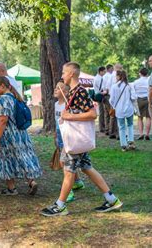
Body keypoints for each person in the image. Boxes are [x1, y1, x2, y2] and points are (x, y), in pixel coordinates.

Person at [41, 62, 123, 217]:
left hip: (75, 141)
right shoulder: (74, 92)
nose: (62, 75)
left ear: (71, 73)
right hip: (77, 140)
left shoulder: (79, 92)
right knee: (86, 168)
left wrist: (69, 116)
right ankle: (112, 200)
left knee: (69, 171)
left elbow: (93, 114)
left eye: (64, 72)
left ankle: (60, 205)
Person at [0, 76, 42, 196]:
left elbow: (3, 120)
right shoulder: (16, 97)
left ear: (3, 86)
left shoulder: (3, 99)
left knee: (6, 159)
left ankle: (11, 188)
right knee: (22, 157)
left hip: (8, 135)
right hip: (21, 134)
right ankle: (31, 181)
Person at [54, 81, 85, 203]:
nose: (56, 90)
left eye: (59, 88)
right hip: (60, 134)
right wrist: (55, 134)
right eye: (55, 88)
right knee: (73, 162)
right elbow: (56, 121)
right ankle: (77, 182)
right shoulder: (56, 104)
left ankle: (69, 191)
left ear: (65, 92)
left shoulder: (68, 105)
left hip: (68, 135)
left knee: (65, 162)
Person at [110, 70, 137, 151]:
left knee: (121, 127)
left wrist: (115, 106)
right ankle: (131, 141)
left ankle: (123, 145)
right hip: (129, 108)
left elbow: (111, 100)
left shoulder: (114, 86)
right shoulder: (129, 86)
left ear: (118, 76)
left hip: (119, 109)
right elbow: (133, 97)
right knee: (130, 125)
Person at [132, 68, 151, 140]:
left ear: (140, 73)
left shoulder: (136, 82)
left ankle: (141, 134)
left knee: (140, 117)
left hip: (139, 100)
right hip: (147, 99)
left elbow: (133, 91)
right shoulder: (149, 81)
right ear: (147, 74)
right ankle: (147, 134)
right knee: (148, 117)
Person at [93, 66, 106, 133]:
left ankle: (102, 127)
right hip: (101, 95)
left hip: (98, 95)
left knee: (102, 111)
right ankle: (102, 127)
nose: (104, 73)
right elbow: (102, 88)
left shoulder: (96, 77)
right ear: (100, 71)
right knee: (102, 112)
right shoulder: (100, 78)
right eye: (104, 71)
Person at [101, 64, 114, 136]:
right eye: (112, 69)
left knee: (106, 113)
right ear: (110, 69)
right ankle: (110, 129)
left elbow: (103, 86)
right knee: (111, 113)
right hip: (108, 94)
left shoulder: (104, 76)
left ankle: (106, 129)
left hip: (104, 95)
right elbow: (109, 86)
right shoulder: (110, 76)